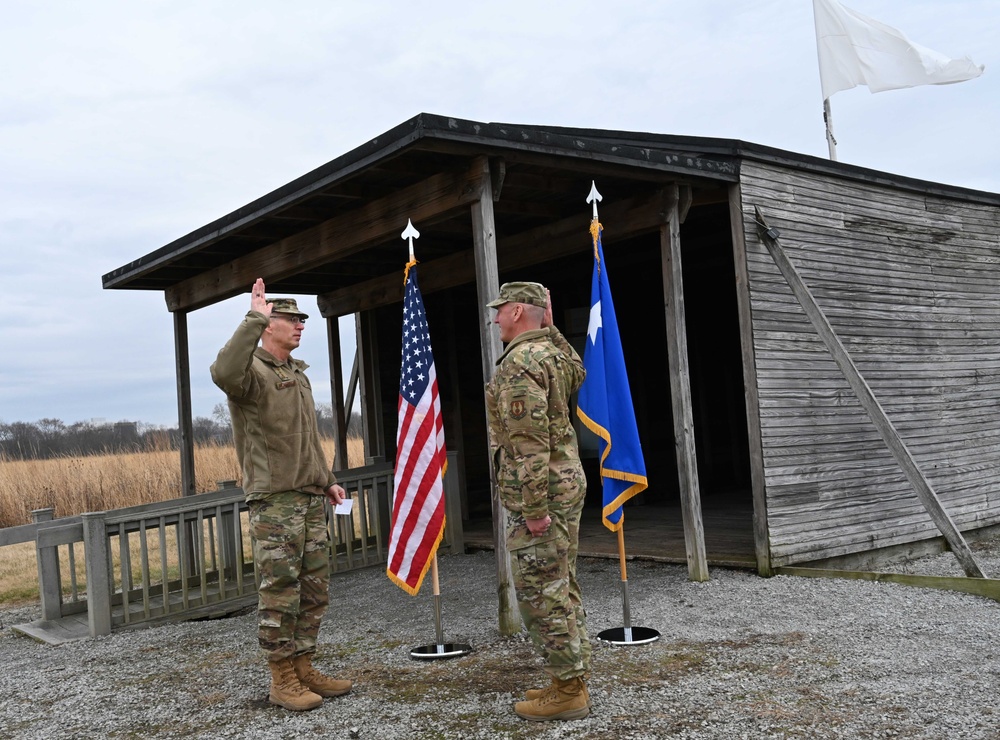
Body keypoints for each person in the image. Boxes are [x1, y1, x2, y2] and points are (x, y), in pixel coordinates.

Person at [210, 278, 352, 712]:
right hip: (276, 502)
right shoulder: (250, 374)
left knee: (314, 588)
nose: (299, 326)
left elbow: (305, 439)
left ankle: (304, 665)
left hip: (309, 497)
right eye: (290, 319)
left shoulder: (296, 374)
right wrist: (253, 316)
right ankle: (281, 678)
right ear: (266, 326)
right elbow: (222, 371)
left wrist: (326, 478)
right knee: (281, 590)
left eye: (300, 320)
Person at [484, 281, 592, 722]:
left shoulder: (520, 363)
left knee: (541, 591)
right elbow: (578, 368)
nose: (495, 318)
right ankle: (570, 678)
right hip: (565, 483)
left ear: (516, 314)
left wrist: (533, 511)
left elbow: (529, 444)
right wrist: (550, 325)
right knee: (561, 583)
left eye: (501, 309)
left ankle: (568, 691)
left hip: (543, 491)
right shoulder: (552, 354)